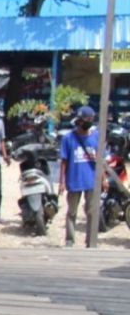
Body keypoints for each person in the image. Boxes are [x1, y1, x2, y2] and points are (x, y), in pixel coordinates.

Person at [59, 105, 104, 247]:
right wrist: (62, 182)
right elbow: (64, 162)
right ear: (79, 120)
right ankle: (70, 240)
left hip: (91, 180)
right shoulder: (68, 138)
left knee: (91, 212)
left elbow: (100, 160)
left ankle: (90, 241)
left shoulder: (96, 137)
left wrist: (104, 178)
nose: (87, 122)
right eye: (85, 119)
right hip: (74, 180)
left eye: (90, 119)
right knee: (72, 212)